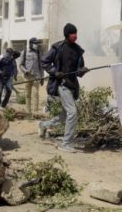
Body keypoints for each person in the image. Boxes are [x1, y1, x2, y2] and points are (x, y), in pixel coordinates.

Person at [39, 23, 89, 153]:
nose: (75, 36)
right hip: (62, 84)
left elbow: (78, 72)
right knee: (72, 112)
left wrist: (82, 71)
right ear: (67, 34)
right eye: (73, 33)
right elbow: (44, 62)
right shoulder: (57, 47)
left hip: (72, 86)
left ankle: (44, 125)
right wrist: (55, 72)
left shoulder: (78, 50)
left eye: (76, 33)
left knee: (66, 114)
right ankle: (66, 143)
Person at [20, 37, 44, 114]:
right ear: (31, 44)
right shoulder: (24, 52)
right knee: (27, 94)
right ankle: (28, 112)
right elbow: (20, 65)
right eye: (35, 43)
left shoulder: (38, 52)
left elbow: (41, 66)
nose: (36, 45)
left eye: (37, 43)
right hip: (27, 77)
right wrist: (25, 71)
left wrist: (42, 77)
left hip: (36, 77)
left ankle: (35, 112)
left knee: (35, 94)